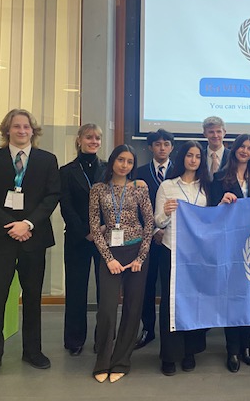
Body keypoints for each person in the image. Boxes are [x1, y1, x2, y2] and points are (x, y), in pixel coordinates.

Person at [0, 109, 60, 380]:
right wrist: (12, 226)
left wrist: (28, 224)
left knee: (32, 297)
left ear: (33, 131)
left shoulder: (47, 160)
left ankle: (32, 351)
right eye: (16, 126)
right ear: (7, 130)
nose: (21, 131)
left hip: (34, 238)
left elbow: (52, 196)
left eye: (26, 127)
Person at [89, 145, 154, 383]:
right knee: (107, 310)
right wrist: (108, 259)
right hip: (110, 254)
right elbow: (94, 227)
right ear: (112, 161)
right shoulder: (98, 189)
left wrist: (141, 258)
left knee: (132, 309)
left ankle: (121, 361)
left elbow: (149, 223)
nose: (124, 165)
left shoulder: (139, 187)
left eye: (129, 161)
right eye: (120, 160)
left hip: (136, 252)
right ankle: (103, 361)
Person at [210, 134, 250, 373]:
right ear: (234, 149)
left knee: (249, 297)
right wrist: (221, 202)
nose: (245, 151)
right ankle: (232, 349)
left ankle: (246, 347)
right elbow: (211, 213)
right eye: (241, 147)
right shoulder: (219, 178)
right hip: (230, 246)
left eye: (249, 148)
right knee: (232, 298)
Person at [154, 141, 212, 376]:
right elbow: (158, 221)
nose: (193, 160)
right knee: (171, 302)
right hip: (172, 250)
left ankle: (190, 352)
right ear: (182, 158)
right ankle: (169, 355)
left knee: (194, 301)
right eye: (189, 155)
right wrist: (167, 213)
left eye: (197, 156)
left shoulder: (207, 187)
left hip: (198, 254)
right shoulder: (167, 186)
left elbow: (213, 218)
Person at [59, 123, 107, 356]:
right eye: (89, 137)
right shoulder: (66, 171)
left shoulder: (108, 169)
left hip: (105, 237)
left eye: (97, 138)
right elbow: (66, 206)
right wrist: (85, 231)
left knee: (105, 292)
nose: (93, 142)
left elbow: (114, 202)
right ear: (79, 140)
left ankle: (103, 339)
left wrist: (100, 229)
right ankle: (74, 340)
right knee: (76, 290)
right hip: (77, 238)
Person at [134, 129, 174, 349]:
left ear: (172, 147)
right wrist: (154, 230)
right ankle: (148, 328)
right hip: (147, 239)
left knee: (171, 286)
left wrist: (165, 229)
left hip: (174, 239)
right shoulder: (139, 173)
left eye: (166, 144)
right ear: (150, 147)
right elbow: (135, 208)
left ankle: (173, 329)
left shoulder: (180, 171)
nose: (162, 148)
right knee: (147, 285)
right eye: (157, 144)